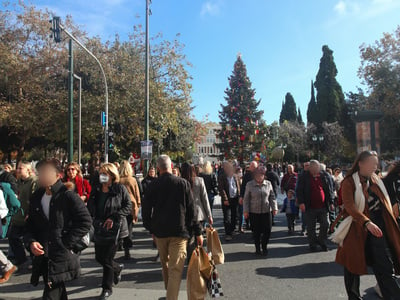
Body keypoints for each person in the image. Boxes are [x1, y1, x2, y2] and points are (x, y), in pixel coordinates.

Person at [332, 151, 400, 300]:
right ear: (361, 164)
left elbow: (387, 200)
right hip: (356, 228)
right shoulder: (349, 182)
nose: (375, 167)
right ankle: (354, 297)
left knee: (384, 266)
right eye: (371, 163)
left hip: (378, 228)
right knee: (352, 267)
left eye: (376, 164)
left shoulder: (377, 180)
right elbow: (350, 206)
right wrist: (366, 222)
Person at [24, 159, 92, 300]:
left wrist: (65, 243)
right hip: (43, 254)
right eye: (40, 173)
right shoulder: (37, 197)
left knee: (51, 291)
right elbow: (30, 225)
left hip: (60, 254)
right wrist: (31, 242)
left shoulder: (67, 196)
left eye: (46, 172)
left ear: (58, 175)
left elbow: (85, 222)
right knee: (56, 290)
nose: (42, 176)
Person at [142, 155, 203, 300]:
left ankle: (170, 294)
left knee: (166, 266)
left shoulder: (153, 185)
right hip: (179, 231)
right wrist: (197, 231)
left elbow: (145, 210)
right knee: (175, 269)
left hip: (160, 232)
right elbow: (191, 209)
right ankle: (171, 296)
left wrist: (151, 228)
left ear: (158, 169)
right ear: (171, 166)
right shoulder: (182, 184)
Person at [87, 163, 132, 300]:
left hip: (115, 228)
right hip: (99, 227)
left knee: (107, 258)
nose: (102, 176)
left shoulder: (119, 189)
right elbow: (91, 205)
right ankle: (117, 268)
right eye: (101, 173)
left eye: (105, 174)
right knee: (99, 257)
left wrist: (115, 217)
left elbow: (127, 205)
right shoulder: (97, 189)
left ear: (112, 175)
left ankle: (107, 288)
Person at [297, 160, 334, 252]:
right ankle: (312, 244)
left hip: (323, 206)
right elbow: (299, 190)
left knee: (326, 224)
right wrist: (301, 203)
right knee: (311, 227)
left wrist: (331, 202)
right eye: (314, 168)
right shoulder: (304, 177)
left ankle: (322, 241)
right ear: (310, 168)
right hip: (310, 206)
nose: (316, 170)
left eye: (317, 168)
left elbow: (329, 190)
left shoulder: (324, 176)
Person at [243, 166, 278, 256]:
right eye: (257, 175)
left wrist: (274, 208)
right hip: (254, 212)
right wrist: (245, 211)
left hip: (266, 211)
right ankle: (258, 248)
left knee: (267, 230)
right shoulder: (249, 185)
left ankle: (264, 246)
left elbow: (272, 197)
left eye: (261, 175)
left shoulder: (268, 184)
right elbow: (246, 199)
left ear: (263, 175)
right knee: (256, 231)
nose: (259, 177)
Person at [9, 161, 37, 267]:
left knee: (29, 240)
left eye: (21, 168)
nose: (18, 170)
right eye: (18, 168)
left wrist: (30, 213)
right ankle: (21, 259)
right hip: (18, 216)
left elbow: (34, 199)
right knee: (13, 237)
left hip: (28, 215)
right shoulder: (19, 182)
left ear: (28, 170)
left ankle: (35, 261)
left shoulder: (34, 182)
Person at [119, 160, 141, 260]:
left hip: (120, 205)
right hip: (131, 205)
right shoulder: (132, 180)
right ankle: (127, 249)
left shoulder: (117, 180)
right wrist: (138, 205)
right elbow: (137, 194)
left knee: (119, 226)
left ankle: (120, 244)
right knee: (129, 228)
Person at [218, 161, 241, 241]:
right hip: (227, 199)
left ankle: (232, 229)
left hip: (235, 198)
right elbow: (221, 188)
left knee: (235, 215)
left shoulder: (236, 176)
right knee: (227, 217)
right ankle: (228, 233)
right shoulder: (222, 176)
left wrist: (240, 196)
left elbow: (239, 186)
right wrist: (225, 199)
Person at [239, 161, 258, 232]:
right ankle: (247, 224)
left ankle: (254, 228)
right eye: (252, 166)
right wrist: (241, 196)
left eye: (254, 167)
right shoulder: (247, 175)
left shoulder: (259, 174)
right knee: (247, 211)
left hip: (256, 197)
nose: (253, 168)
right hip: (248, 196)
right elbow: (243, 186)